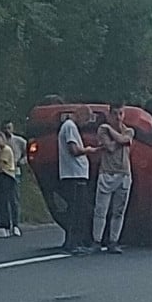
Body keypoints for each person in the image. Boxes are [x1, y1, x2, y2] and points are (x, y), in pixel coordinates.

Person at [91, 103, 135, 254]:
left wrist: (112, 132)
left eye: (120, 114)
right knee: (101, 210)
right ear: (110, 115)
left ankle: (113, 241)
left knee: (119, 211)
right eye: (115, 114)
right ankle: (97, 240)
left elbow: (125, 140)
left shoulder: (129, 130)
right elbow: (110, 147)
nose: (118, 117)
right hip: (107, 173)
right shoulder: (102, 129)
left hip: (124, 174)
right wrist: (119, 139)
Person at [58, 105, 99, 254]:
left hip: (76, 174)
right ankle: (73, 243)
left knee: (78, 209)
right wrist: (87, 150)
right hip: (74, 174)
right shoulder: (70, 126)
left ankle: (74, 241)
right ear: (80, 114)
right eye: (86, 119)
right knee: (77, 210)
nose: (86, 123)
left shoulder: (70, 126)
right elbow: (73, 150)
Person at [0, 120, 27, 235]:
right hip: (1, 171)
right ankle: (2, 224)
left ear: (13, 128)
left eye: (9, 128)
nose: (7, 130)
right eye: (5, 128)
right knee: (1, 200)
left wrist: (22, 161)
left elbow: (28, 152)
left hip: (14, 171)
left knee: (14, 199)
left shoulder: (19, 141)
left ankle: (15, 225)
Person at [0, 131, 18, 238]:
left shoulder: (5, 150)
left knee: (4, 201)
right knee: (1, 202)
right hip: (2, 176)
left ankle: (5, 226)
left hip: (5, 176)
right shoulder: (0, 151)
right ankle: (3, 226)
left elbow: (0, 165)